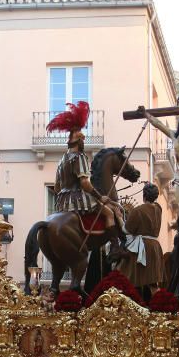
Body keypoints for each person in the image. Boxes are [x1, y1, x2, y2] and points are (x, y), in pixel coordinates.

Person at [47, 100, 125, 252]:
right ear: (78, 141)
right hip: (79, 199)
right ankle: (115, 248)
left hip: (62, 202)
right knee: (109, 213)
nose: (83, 142)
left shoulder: (62, 160)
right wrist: (99, 196)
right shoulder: (79, 157)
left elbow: (57, 187)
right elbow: (85, 183)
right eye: (82, 139)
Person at [117, 183, 165, 294]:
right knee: (152, 281)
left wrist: (119, 217)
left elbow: (126, 230)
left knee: (125, 272)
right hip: (155, 247)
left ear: (144, 196)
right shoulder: (158, 209)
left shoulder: (138, 210)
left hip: (142, 247)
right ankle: (159, 304)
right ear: (155, 196)